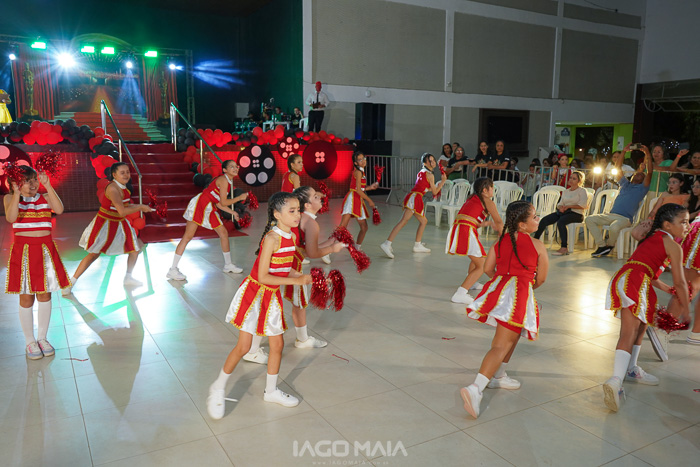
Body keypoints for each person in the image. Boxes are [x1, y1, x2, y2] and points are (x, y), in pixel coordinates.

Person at [206, 192, 312, 419]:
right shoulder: (271, 239)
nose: (297, 215)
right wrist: (295, 281)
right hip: (254, 295)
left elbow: (283, 270)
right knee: (243, 347)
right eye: (291, 211)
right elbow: (263, 276)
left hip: (271, 296)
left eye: (298, 210)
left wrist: (304, 277)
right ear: (277, 214)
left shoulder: (292, 236)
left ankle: (271, 391)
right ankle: (218, 386)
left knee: (277, 345)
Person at [460, 201, 548, 419]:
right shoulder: (537, 245)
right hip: (519, 294)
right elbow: (542, 278)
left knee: (513, 336)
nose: (538, 219)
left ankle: (499, 375)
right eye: (534, 216)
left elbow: (488, 268)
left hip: (500, 291)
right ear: (522, 225)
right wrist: (522, 287)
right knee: (500, 345)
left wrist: (503, 284)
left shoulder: (499, 242)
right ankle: (476, 388)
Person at [602, 203, 689, 412]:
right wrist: (686, 308)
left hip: (630, 276)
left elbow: (648, 269)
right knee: (629, 332)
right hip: (636, 281)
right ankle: (616, 381)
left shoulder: (654, 236)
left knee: (641, 326)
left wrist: (667, 289)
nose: (687, 226)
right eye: (683, 222)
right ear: (667, 225)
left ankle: (631, 369)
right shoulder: (673, 246)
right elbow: (680, 282)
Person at [243, 187, 346, 365]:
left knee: (293, 302)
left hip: (288, 265)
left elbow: (304, 249)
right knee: (269, 306)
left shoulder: (295, 224)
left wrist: (330, 243)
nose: (321, 198)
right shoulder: (308, 223)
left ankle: (301, 339)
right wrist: (332, 248)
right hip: (283, 266)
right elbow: (311, 252)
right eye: (316, 196)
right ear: (307, 204)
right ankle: (252, 350)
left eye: (297, 210)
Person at [5, 166, 70, 359]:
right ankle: (30, 341)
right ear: (16, 183)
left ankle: (42, 338)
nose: (32, 184)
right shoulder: (10, 199)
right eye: (26, 181)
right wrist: (16, 194)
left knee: (45, 295)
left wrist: (48, 186)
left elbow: (59, 210)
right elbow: (11, 217)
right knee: (26, 297)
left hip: (45, 251)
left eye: (34, 179)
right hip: (24, 253)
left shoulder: (46, 197)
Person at [63, 163, 153, 295]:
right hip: (104, 224)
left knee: (135, 249)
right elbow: (122, 211)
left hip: (120, 223)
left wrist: (142, 206)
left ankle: (128, 277)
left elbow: (123, 210)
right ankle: (71, 282)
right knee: (93, 255)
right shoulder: (113, 189)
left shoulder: (124, 187)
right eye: (122, 173)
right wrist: (140, 207)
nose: (126, 175)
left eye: (127, 172)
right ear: (114, 175)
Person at [166, 160, 247, 281]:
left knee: (223, 233)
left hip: (209, 207)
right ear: (225, 170)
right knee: (187, 237)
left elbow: (219, 203)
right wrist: (239, 198)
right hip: (200, 205)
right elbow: (224, 202)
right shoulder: (224, 180)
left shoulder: (228, 181)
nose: (235, 168)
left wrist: (233, 212)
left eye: (236, 166)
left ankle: (228, 265)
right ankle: (172, 269)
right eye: (232, 167)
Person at [587, 146, 652, 257]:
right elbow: (618, 167)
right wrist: (623, 152)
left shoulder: (642, 189)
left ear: (643, 180)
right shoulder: (625, 184)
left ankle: (610, 246)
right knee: (589, 219)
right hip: (611, 215)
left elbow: (650, 172)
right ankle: (602, 246)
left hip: (625, 219)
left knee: (614, 227)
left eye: (641, 175)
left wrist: (647, 153)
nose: (638, 174)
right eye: (637, 173)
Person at [447, 177, 503, 305]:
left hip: (461, 228)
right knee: (482, 265)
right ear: (485, 190)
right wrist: (505, 237)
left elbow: (470, 220)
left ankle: (472, 282)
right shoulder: (488, 201)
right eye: (492, 187)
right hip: (465, 230)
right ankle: (460, 293)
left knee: (478, 257)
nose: (493, 190)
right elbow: (499, 222)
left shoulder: (473, 198)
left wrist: (487, 223)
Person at [380, 153, 446, 258]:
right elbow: (434, 192)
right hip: (415, 198)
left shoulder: (422, 172)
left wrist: (432, 187)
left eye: (433, 160)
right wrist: (442, 182)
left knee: (422, 221)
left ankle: (417, 244)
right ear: (425, 163)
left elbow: (422, 187)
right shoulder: (430, 175)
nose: (433, 162)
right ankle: (387, 244)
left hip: (414, 196)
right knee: (404, 221)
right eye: (430, 160)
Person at [533, 170, 588, 256]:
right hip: (564, 212)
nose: (571, 180)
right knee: (544, 220)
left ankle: (564, 247)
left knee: (561, 222)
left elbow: (583, 205)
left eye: (574, 179)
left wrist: (569, 206)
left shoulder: (582, 191)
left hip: (577, 214)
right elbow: (559, 204)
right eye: (570, 178)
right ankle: (534, 241)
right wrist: (561, 208)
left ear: (579, 181)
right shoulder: (566, 191)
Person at [340, 151, 378, 247]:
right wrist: (370, 201)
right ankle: (327, 250)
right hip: (352, 199)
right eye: (360, 160)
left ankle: (357, 248)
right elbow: (358, 190)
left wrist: (370, 187)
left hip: (357, 199)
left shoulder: (361, 171)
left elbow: (360, 188)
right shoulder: (358, 172)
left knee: (364, 227)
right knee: (342, 227)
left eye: (364, 158)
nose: (363, 161)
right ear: (355, 163)